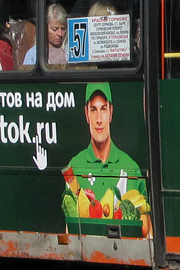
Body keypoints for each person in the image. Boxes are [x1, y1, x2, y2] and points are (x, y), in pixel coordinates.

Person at [61, 83, 151, 237]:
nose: (99, 120)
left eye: (103, 109)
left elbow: (146, 230)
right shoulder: (75, 167)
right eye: (93, 110)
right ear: (86, 114)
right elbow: (70, 231)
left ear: (111, 112)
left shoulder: (131, 168)